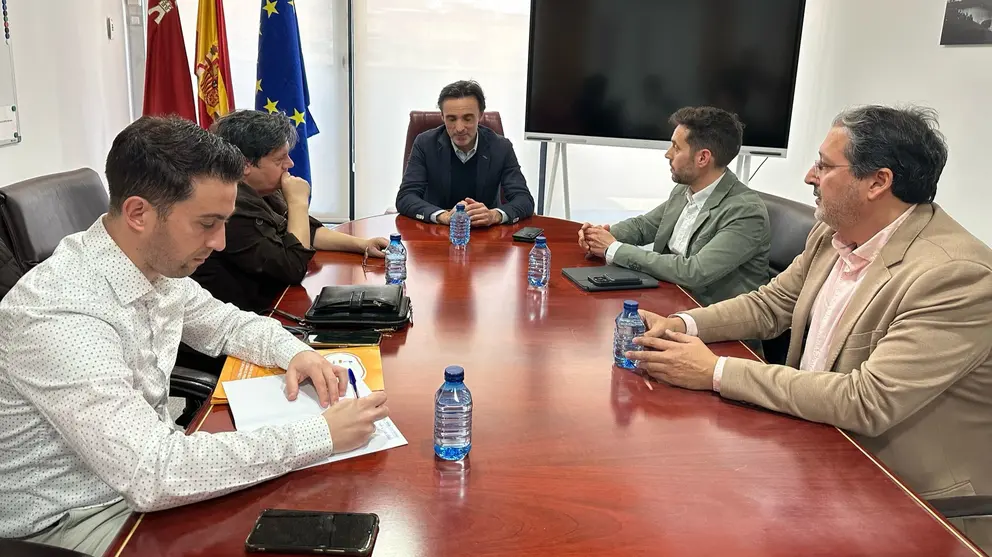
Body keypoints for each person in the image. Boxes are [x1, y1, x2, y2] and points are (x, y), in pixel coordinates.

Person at [0, 116, 389, 556]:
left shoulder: (152, 264)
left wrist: (297, 352)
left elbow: (227, 323)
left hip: (139, 485)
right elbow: (154, 473)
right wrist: (321, 435)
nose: (220, 242)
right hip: (75, 522)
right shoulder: (61, 317)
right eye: (207, 223)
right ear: (139, 213)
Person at [631, 105, 992, 551]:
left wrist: (715, 371)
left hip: (902, 497)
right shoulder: (832, 234)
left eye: (824, 165)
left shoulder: (956, 276)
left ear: (878, 182)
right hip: (809, 447)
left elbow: (867, 400)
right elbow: (771, 304)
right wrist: (682, 323)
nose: (808, 176)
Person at [191, 109, 388, 314]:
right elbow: (293, 267)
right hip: (246, 318)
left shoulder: (261, 189)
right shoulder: (230, 207)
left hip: (274, 304)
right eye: (280, 159)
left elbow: (305, 231)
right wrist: (297, 203)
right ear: (245, 164)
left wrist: (363, 245)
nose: (290, 164)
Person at [579, 106, 770, 307]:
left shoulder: (746, 212)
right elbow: (644, 226)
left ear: (703, 158)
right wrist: (598, 235)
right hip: (668, 298)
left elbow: (695, 272)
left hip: (707, 319)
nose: (668, 154)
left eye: (676, 148)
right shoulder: (685, 190)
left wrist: (613, 248)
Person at [395, 80, 534, 227]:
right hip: (436, 231)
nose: (459, 128)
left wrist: (494, 215)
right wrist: (443, 216)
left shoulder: (501, 147)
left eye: (467, 118)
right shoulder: (425, 144)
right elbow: (405, 197)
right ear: (442, 117)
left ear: (480, 115)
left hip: (486, 234)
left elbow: (524, 200)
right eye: (452, 119)